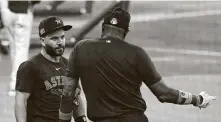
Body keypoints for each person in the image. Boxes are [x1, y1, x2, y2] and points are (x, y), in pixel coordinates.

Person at [59, 8, 217, 122]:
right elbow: (163, 94)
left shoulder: (81, 48)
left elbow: (67, 93)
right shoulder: (136, 53)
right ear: (126, 31)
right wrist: (197, 99)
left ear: (103, 28)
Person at [15, 16, 87, 122]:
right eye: (54, 38)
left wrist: (81, 119)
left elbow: (75, 96)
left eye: (62, 37)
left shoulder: (69, 65)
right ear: (43, 41)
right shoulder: (30, 66)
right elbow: (21, 102)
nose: (60, 42)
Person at [0, 0, 40, 91]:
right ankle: (17, 81)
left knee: (14, 46)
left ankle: (15, 79)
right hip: (23, 10)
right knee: (21, 48)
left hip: (6, 9)